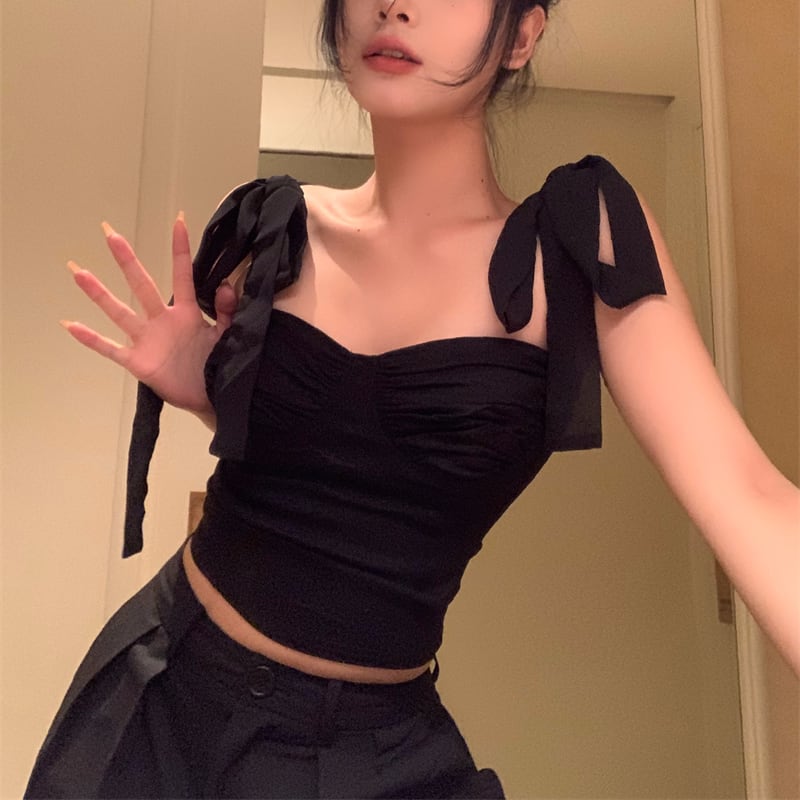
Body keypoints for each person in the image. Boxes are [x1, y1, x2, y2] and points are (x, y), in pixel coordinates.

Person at [26, 0, 800, 797]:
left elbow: (750, 495)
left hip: (376, 747)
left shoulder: (576, 243)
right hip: (159, 689)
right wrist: (206, 393)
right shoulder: (277, 226)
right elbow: (319, 467)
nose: (395, 5)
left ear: (522, 35)